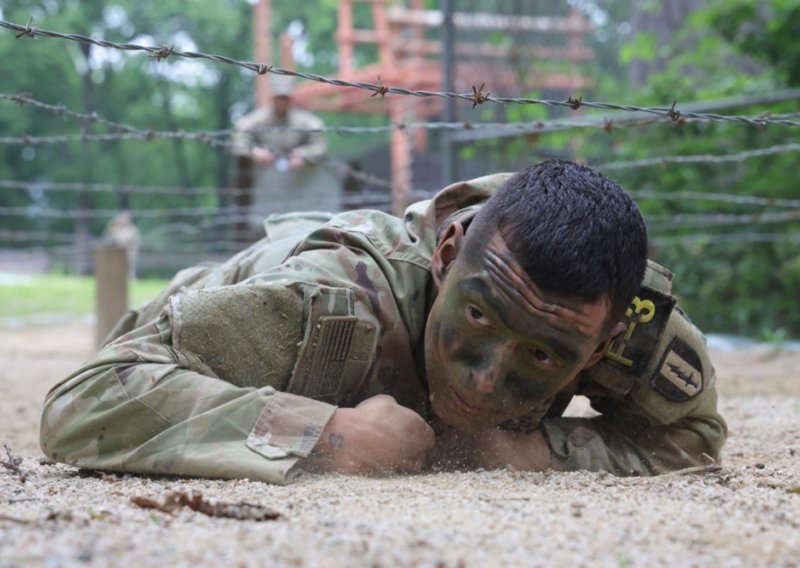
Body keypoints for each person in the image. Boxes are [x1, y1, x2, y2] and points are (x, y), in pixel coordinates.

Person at [40, 160, 726, 484]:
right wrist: (328, 435)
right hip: (227, 297)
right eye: (481, 315)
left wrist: (538, 451)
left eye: (544, 358)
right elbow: (86, 400)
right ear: (448, 258)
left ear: (603, 343)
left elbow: (693, 436)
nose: (487, 382)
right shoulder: (329, 299)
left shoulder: (616, 316)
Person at [231, 75, 327, 174]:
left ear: (291, 98)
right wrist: (254, 151)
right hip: (261, 176)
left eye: (285, 98)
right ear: (272, 97)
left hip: (299, 178)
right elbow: (238, 143)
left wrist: (304, 153)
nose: (282, 102)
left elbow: (320, 146)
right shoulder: (255, 121)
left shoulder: (307, 122)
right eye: (279, 98)